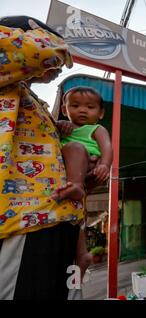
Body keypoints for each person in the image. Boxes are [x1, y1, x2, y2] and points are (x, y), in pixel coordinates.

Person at [0, 16, 84, 300]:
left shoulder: (29, 99)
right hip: (25, 222)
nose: (58, 69)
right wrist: (37, 27)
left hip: (57, 218)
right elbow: (49, 51)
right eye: (56, 68)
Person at [53, 86, 113, 277]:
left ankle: (77, 186)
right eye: (76, 105)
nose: (82, 110)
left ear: (101, 113)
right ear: (64, 109)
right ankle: (82, 254)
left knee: (76, 148)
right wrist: (59, 127)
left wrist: (104, 164)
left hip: (85, 171)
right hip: (67, 178)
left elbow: (108, 147)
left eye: (90, 107)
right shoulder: (62, 127)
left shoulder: (96, 128)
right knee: (77, 213)